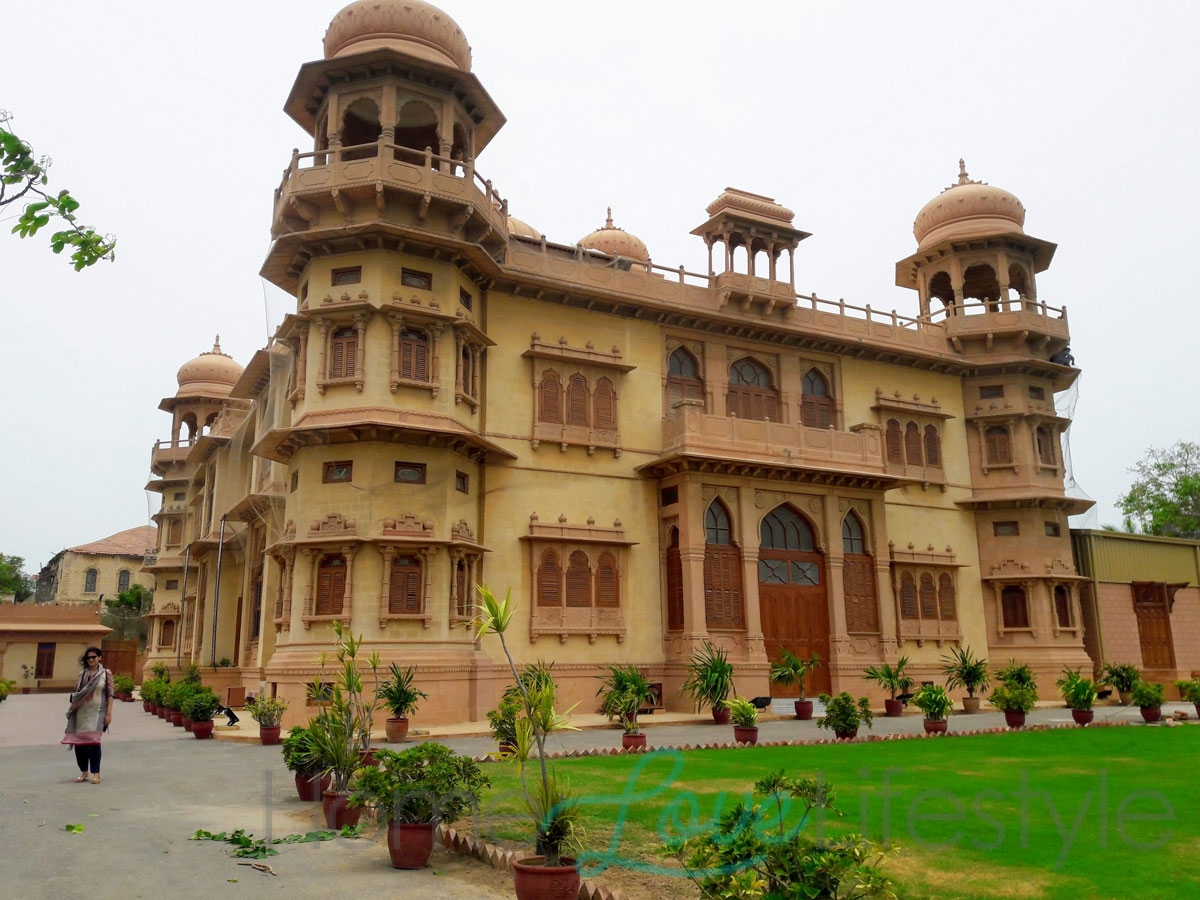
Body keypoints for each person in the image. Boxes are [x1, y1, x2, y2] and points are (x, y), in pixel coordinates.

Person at [61, 646, 113, 783]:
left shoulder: (106, 674)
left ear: (100, 658)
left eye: (94, 657)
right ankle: (84, 773)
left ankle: (96, 773)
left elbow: (110, 694)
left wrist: (109, 713)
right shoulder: (82, 674)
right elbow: (77, 693)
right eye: (89, 657)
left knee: (94, 742)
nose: (91, 659)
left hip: (97, 712)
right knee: (80, 743)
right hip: (81, 712)